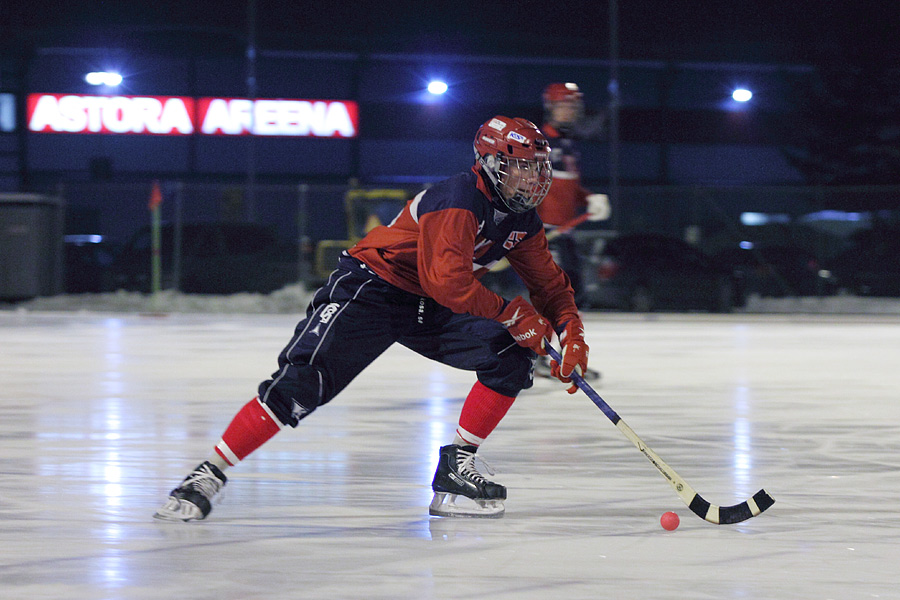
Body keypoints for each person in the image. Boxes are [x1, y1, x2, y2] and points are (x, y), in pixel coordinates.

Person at [154, 115, 592, 522]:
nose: (533, 178)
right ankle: (208, 472)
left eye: (537, 167)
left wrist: (572, 334)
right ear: (491, 163)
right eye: (521, 167)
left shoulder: (521, 219)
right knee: (303, 386)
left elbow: (550, 286)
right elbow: (449, 284)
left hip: (427, 302)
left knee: (509, 356)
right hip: (373, 288)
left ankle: (456, 469)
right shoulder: (457, 199)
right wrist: (510, 314)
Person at [535, 82, 608, 381]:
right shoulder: (539, 144)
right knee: (556, 297)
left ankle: (564, 356)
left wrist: (588, 197)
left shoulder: (568, 145)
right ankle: (540, 357)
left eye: (574, 106)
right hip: (546, 233)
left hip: (565, 233)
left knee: (574, 298)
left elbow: (568, 189)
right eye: (566, 105)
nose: (571, 111)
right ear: (551, 108)